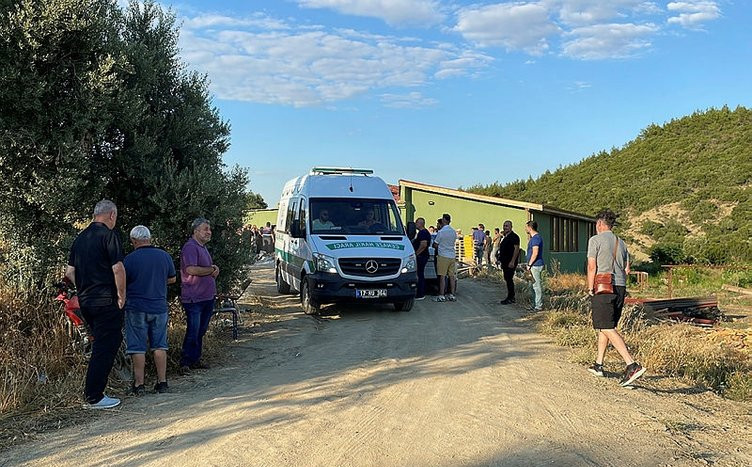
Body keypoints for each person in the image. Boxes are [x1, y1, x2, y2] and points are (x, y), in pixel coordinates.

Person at [65, 200, 126, 409]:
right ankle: (94, 396)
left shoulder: (80, 239)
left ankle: (94, 392)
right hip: (105, 299)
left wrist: (83, 287)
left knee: (100, 343)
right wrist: (121, 295)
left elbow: (69, 272)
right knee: (107, 344)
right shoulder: (109, 236)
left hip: (86, 301)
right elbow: (118, 268)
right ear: (111, 215)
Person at [587, 209, 646, 386]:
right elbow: (627, 269)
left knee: (605, 325)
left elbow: (591, 266)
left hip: (603, 286)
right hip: (620, 287)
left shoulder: (595, 240)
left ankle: (631, 364)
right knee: (607, 326)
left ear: (599, 224)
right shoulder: (622, 243)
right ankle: (599, 364)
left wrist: (590, 288)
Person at [123, 226, 176, 395]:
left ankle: (139, 385)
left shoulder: (129, 260)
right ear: (149, 238)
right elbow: (173, 278)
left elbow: (122, 282)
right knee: (160, 345)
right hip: (159, 307)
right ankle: (162, 382)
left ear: (134, 240)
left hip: (136, 308)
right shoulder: (164, 256)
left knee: (137, 347)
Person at [179, 217, 219, 374]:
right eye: (205, 229)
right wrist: (211, 270)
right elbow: (191, 270)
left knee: (200, 330)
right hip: (194, 298)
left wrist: (213, 269)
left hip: (206, 297)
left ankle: (195, 359)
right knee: (193, 330)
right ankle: (185, 362)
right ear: (196, 231)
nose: (209, 232)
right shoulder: (190, 247)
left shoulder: (202, 247)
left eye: (209, 229)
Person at [433, 214, 457, 302]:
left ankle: (441, 295)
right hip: (452, 255)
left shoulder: (441, 232)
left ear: (443, 220)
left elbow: (435, 244)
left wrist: (438, 246)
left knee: (442, 276)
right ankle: (452, 294)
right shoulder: (453, 231)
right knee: (452, 276)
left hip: (443, 255)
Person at [498, 221, 521, 305]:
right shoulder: (505, 237)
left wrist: (512, 261)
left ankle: (511, 297)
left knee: (509, 279)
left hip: (510, 262)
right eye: (504, 226)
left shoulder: (514, 237)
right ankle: (510, 296)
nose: (505, 227)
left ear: (511, 227)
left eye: (507, 226)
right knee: (507, 279)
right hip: (505, 262)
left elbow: (516, 249)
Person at [525, 220, 544, 311]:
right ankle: (534, 304)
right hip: (533, 265)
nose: (525, 229)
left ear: (530, 227)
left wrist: (529, 264)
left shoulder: (536, 239)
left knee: (536, 286)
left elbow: (535, 253)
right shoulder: (534, 238)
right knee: (532, 286)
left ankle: (538, 306)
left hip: (535, 265)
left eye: (526, 227)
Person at [412, 217, 431, 301]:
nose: (415, 224)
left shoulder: (423, 233)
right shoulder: (423, 232)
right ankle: (420, 292)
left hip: (421, 256)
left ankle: (420, 293)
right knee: (420, 274)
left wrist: (416, 254)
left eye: (417, 222)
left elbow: (423, 245)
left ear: (421, 223)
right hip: (422, 256)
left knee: (419, 274)